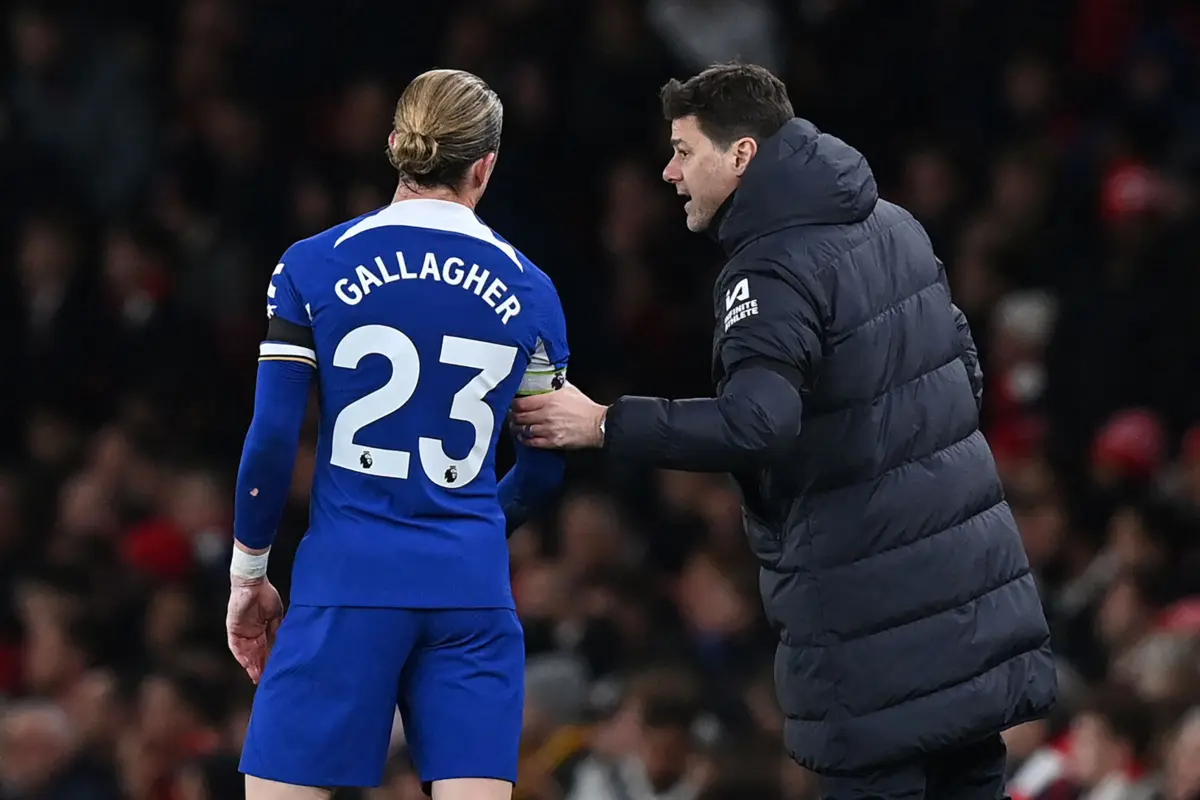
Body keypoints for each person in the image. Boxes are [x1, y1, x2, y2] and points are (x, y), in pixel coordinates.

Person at [512, 62, 1058, 800]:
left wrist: (605, 422)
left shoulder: (767, 269)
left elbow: (757, 425)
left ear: (740, 156)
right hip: (971, 613)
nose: (670, 172)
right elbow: (965, 374)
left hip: (874, 640)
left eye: (683, 151)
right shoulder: (894, 223)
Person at [226, 69, 569, 800]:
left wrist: (248, 575)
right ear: (486, 165)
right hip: (471, 595)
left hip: (347, 583)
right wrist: (463, 528)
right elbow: (542, 471)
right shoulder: (534, 290)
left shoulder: (313, 263)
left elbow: (272, 438)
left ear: (394, 146)